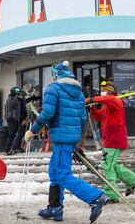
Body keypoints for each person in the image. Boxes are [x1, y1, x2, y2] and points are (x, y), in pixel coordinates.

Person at [25, 61, 108, 223]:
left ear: (56, 74)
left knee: (62, 174)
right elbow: (83, 119)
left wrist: (33, 130)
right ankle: (55, 207)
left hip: (62, 139)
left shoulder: (53, 89)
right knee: (54, 172)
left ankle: (96, 197)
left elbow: (47, 113)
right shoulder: (79, 93)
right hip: (71, 138)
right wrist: (78, 142)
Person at [86, 79, 135, 203]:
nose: (102, 92)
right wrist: (93, 110)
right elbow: (99, 116)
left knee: (107, 166)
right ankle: (132, 180)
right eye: (101, 90)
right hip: (109, 139)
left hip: (115, 139)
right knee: (111, 165)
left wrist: (92, 99)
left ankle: (112, 195)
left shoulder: (116, 101)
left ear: (110, 90)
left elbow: (109, 99)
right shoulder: (108, 105)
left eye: (104, 90)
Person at [4, 86, 21, 155]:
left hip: (15, 119)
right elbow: (11, 104)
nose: (18, 94)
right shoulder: (10, 98)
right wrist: (16, 98)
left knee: (14, 135)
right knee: (11, 134)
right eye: (17, 92)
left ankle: (11, 149)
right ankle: (6, 150)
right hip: (11, 118)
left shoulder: (15, 99)